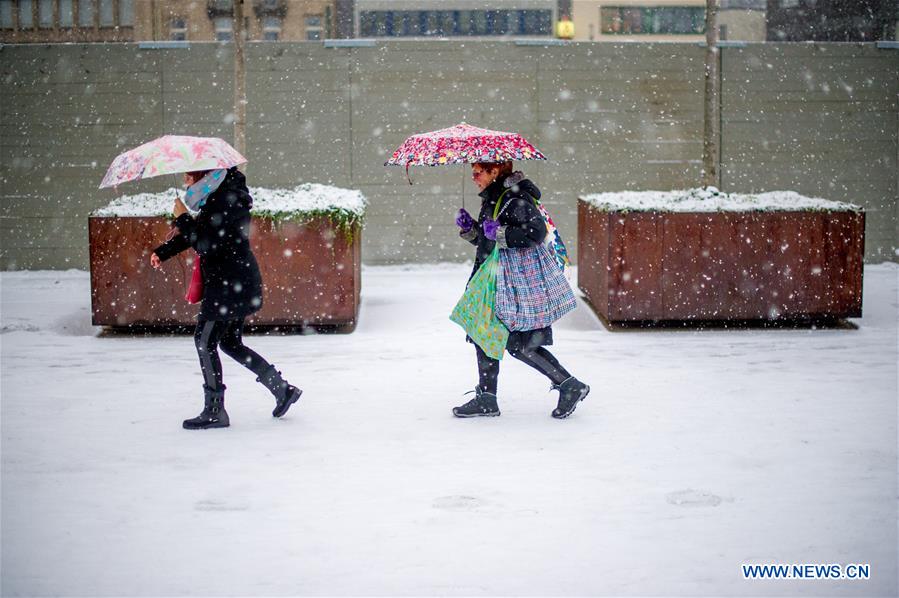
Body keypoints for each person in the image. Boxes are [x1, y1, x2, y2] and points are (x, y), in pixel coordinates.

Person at [150, 167, 301, 429]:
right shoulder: (222, 194)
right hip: (236, 281)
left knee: (204, 340)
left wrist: (183, 218)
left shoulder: (224, 199)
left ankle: (214, 410)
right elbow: (204, 233)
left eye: (189, 174)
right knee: (230, 342)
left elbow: (206, 243)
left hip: (228, 284)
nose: (185, 179)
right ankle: (282, 390)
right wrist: (164, 251)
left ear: (204, 174)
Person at [453, 161, 589, 419]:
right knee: (486, 333)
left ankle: (568, 385)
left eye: (478, 172)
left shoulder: (515, 198)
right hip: (494, 278)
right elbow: (488, 241)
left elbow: (535, 233)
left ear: (495, 172)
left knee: (520, 343)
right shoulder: (495, 198)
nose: (473, 177)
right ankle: (488, 398)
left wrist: (500, 233)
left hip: (514, 284)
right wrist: (472, 230)